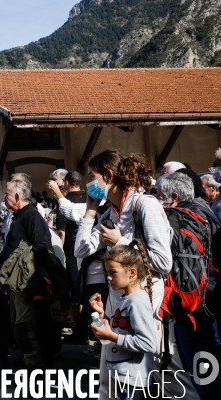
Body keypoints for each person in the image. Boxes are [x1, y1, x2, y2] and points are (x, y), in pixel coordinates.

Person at [74, 150, 196, 398]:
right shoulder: (111, 212)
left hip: (148, 301)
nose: (88, 183)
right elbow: (81, 249)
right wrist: (89, 211)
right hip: (118, 300)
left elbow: (163, 261)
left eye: (92, 176)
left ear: (108, 175)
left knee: (165, 367)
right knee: (112, 365)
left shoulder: (146, 205)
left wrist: (121, 243)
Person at [156, 172, 221, 398]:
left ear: (173, 196)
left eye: (159, 195)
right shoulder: (206, 213)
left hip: (187, 303)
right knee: (207, 361)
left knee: (196, 365)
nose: (157, 199)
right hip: (209, 298)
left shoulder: (171, 219)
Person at [0, 178, 56, 370]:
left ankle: (36, 369)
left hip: (25, 282)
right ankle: (30, 363)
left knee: (25, 326)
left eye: (6, 194)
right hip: (16, 283)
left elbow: (41, 247)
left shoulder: (32, 216)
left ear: (17, 196)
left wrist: (20, 266)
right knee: (17, 325)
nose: (4, 198)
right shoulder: (18, 216)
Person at [89, 240, 156, 399]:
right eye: (107, 273)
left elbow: (147, 343)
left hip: (133, 379)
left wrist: (111, 336)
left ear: (132, 272)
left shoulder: (137, 301)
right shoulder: (126, 297)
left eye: (113, 272)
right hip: (121, 374)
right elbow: (121, 329)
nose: (109, 278)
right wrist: (102, 315)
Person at [54, 170, 86, 338]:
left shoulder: (65, 203)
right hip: (88, 247)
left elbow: (62, 232)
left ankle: (75, 322)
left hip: (71, 249)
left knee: (74, 285)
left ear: (66, 183)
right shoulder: (90, 199)